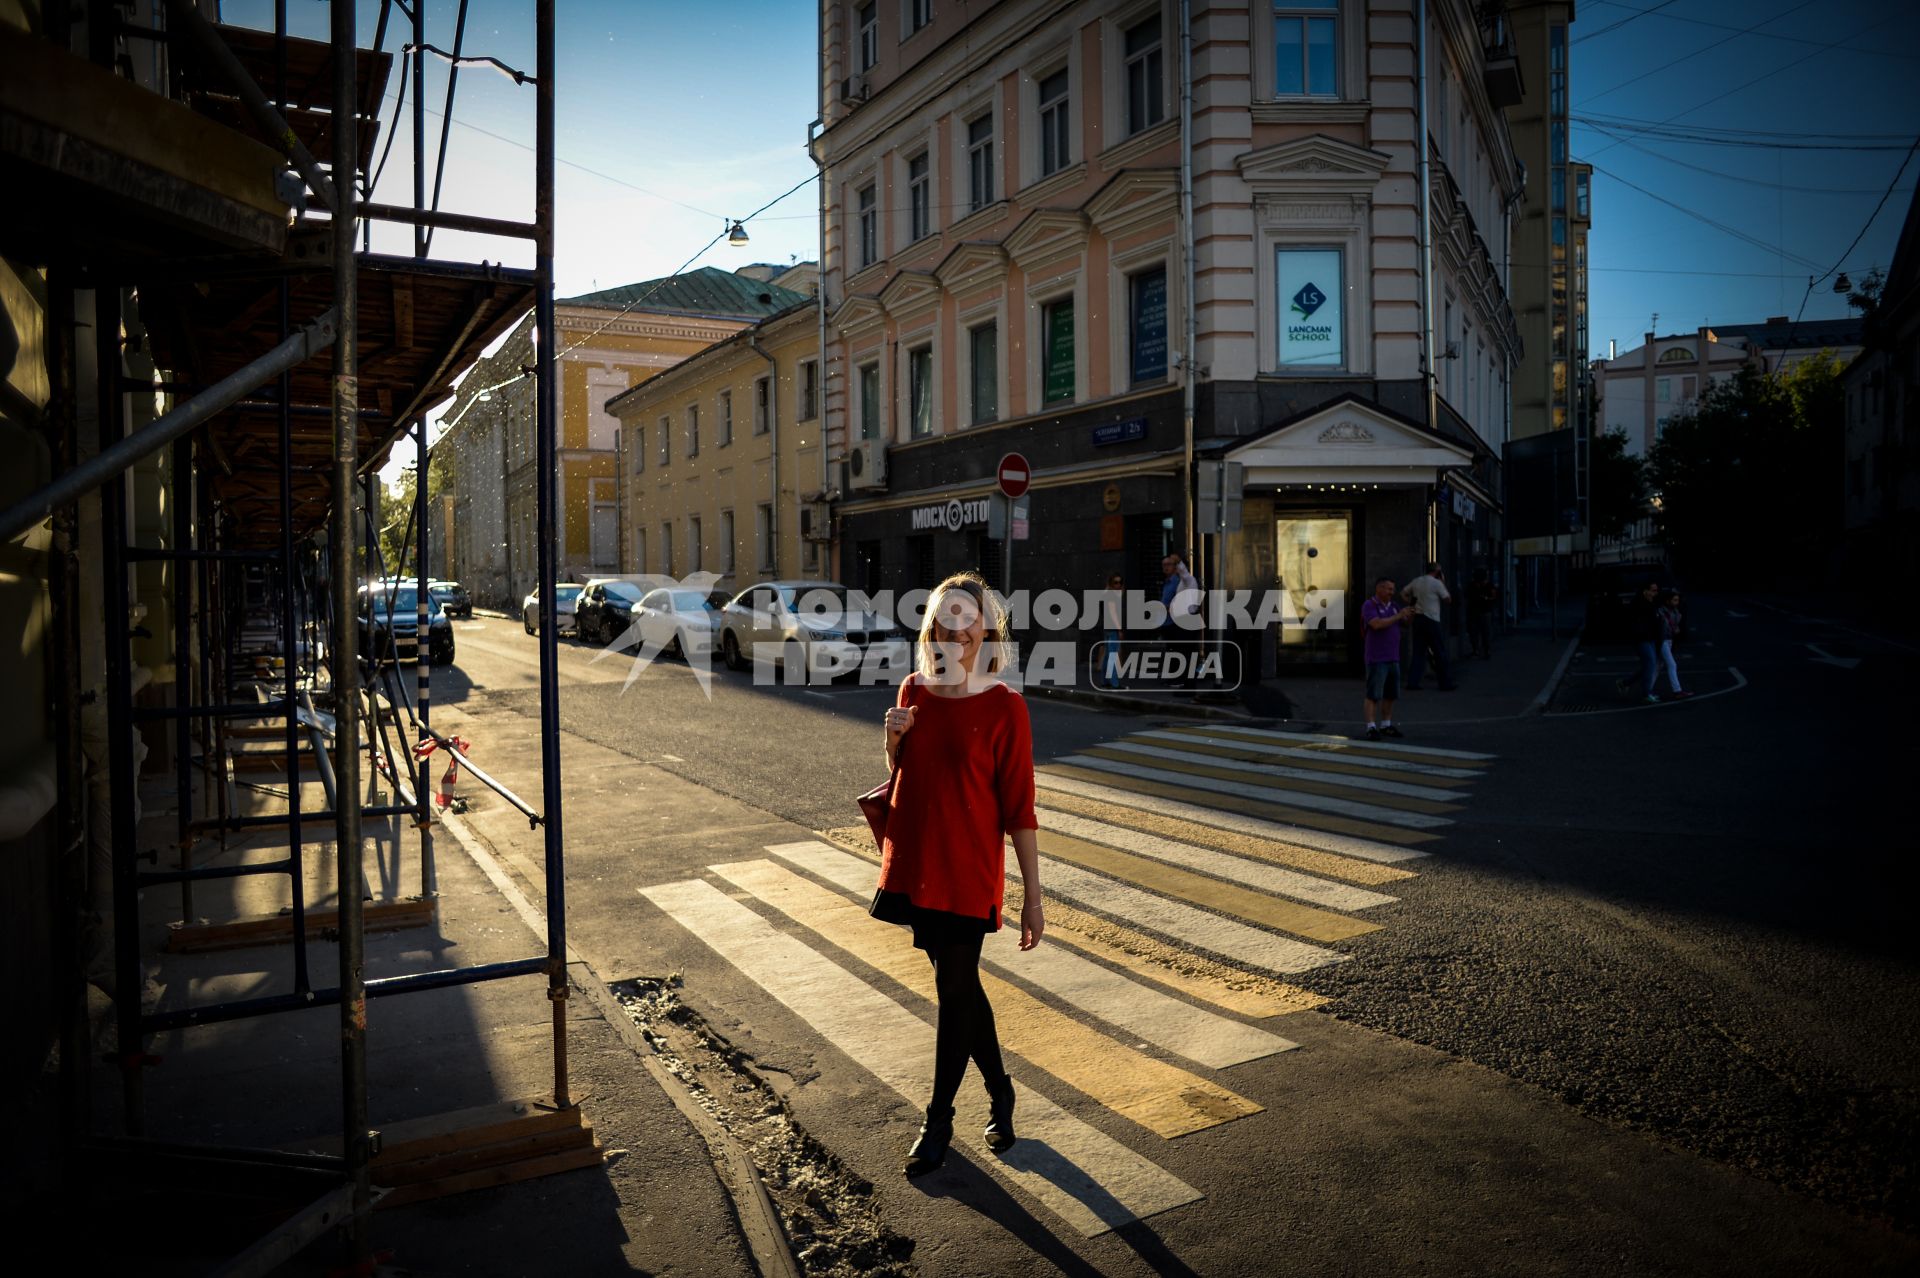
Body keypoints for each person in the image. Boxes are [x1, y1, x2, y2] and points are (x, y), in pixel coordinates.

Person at [871, 571, 1043, 1177]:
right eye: (945, 619)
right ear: (932, 629)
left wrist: (1033, 898)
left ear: (986, 629)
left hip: (970, 872)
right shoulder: (914, 689)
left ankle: (938, 1119)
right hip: (921, 866)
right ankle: (1001, 1091)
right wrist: (891, 743)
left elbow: (1020, 808)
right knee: (960, 988)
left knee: (954, 990)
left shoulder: (1006, 706)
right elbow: (904, 776)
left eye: (967, 619)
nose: (956, 630)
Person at [1360, 577, 1412, 740]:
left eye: (1392, 589)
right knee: (1373, 694)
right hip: (1377, 657)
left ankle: (1386, 725)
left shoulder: (1394, 606)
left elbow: (1406, 624)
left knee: (1390, 694)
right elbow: (1376, 624)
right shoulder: (1370, 605)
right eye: (1389, 589)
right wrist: (1399, 616)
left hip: (1393, 657)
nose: (1392, 592)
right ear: (1379, 589)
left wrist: (1410, 614)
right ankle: (1370, 727)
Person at [1401, 562, 1457, 690]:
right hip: (1432, 619)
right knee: (1439, 652)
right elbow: (1448, 599)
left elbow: (1403, 593)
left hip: (1418, 619)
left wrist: (1412, 603)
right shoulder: (1437, 583)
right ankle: (1445, 683)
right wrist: (1443, 582)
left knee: (1418, 652)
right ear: (1438, 572)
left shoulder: (1416, 581)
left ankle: (1413, 682)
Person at [1629, 580, 1664, 704]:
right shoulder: (1640, 604)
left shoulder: (1652, 603)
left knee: (1649, 665)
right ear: (1646, 591)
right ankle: (1646, 693)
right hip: (1642, 639)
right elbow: (1637, 622)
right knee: (1650, 664)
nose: (1656, 592)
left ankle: (1625, 683)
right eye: (1653, 590)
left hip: (1650, 638)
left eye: (1657, 590)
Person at [1655, 589, 1692, 700]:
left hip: (1668, 640)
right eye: (1675, 600)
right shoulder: (1661, 612)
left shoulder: (1676, 612)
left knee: (1657, 667)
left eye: (1678, 600)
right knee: (1672, 665)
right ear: (1667, 601)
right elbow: (1661, 627)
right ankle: (1677, 691)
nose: (1677, 603)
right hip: (1662, 641)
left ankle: (1640, 688)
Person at [1098, 572, 1124, 688]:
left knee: (1108, 655)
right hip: (1112, 629)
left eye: (1120, 582)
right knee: (1112, 656)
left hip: (1106, 628)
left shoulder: (1105, 594)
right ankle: (1115, 683)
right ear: (1111, 583)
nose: (1118, 585)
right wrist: (1119, 629)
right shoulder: (1112, 596)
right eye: (1116, 582)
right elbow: (1113, 614)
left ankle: (1104, 681)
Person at [1466, 567, 1497, 659]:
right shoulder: (1478, 585)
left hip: (1480, 611)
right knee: (1480, 632)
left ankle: (1481, 650)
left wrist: (1486, 598)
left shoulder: (1485, 585)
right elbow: (1494, 596)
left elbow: (1494, 596)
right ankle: (1482, 650)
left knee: (1480, 632)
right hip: (1481, 611)